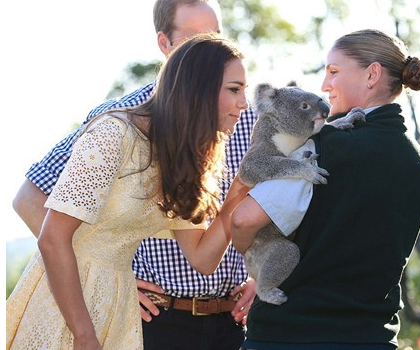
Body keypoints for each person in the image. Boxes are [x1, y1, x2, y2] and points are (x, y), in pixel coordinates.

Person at [12, 1, 257, 349]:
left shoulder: (188, 150)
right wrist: (84, 335)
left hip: (122, 311)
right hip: (72, 310)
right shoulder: (115, 132)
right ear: (198, 84)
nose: (244, 103)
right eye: (235, 90)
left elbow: (202, 258)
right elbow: (51, 236)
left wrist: (238, 193)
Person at [231, 29, 420, 350]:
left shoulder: (323, 144)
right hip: (372, 337)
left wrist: (258, 267)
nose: (325, 85)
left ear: (372, 74)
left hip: (289, 335)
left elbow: (243, 220)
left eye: (334, 72)